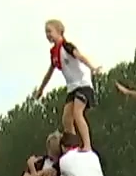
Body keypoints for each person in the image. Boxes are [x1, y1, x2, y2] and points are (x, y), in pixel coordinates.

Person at [33, 18, 101, 148]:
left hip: (83, 83)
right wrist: (41, 89)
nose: (47, 35)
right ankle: (73, 145)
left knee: (77, 112)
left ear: (59, 32)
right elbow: (49, 72)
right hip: (72, 87)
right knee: (66, 119)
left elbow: (80, 56)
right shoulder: (54, 52)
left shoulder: (66, 46)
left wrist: (93, 67)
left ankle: (87, 145)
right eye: (45, 33)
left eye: (49, 31)